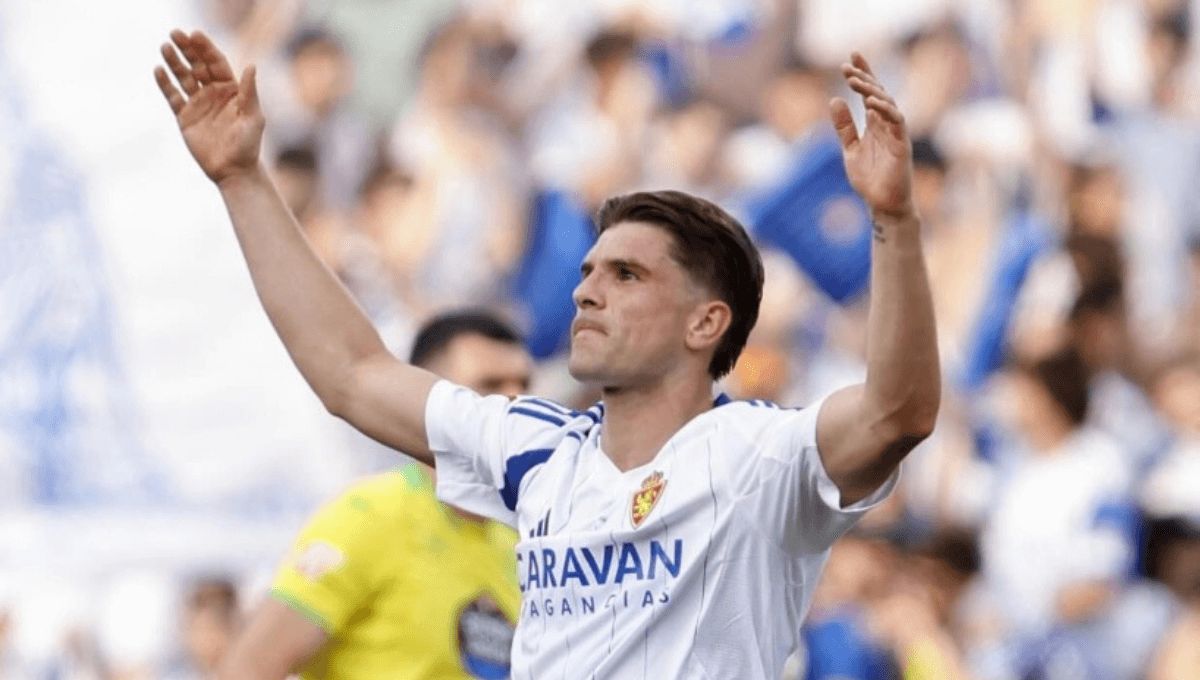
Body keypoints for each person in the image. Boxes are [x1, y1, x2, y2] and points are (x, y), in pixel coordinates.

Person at [154, 29, 939, 678]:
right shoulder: (537, 453)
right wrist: (242, 178)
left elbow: (897, 412)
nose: (586, 292)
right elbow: (352, 373)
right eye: (589, 272)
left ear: (706, 324)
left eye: (625, 275)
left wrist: (896, 222)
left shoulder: (759, 455)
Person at [219, 310, 532, 679]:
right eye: (489, 386)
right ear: (429, 402)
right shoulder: (369, 515)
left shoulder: (520, 539)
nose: (514, 401)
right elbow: (248, 668)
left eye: (524, 384)